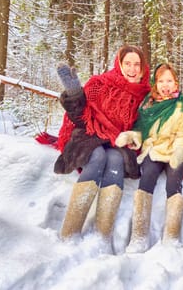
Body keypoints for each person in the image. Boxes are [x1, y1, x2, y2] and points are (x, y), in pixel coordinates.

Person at [55, 44, 151, 242]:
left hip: (118, 143)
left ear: (143, 68)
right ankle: (69, 231)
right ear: (119, 64)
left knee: (115, 160)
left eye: (137, 64)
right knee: (97, 156)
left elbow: (147, 125)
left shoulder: (146, 94)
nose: (132, 69)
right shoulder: (101, 84)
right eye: (128, 63)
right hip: (89, 135)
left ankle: (102, 234)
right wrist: (75, 94)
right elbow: (80, 118)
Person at [115, 63, 183, 253]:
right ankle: (139, 236)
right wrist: (133, 136)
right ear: (155, 84)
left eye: (169, 81)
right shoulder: (148, 104)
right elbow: (143, 130)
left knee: (174, 183)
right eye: (161, 81)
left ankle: (172, 235)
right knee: (147, 178)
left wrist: (180, 151)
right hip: (154, 149)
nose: (165, 85)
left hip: (174, 150)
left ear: (176, 83)